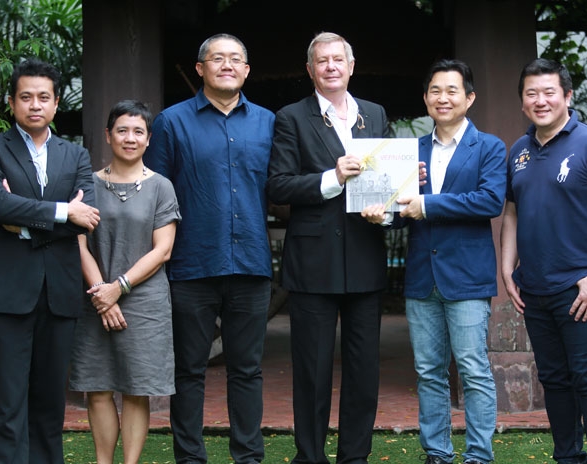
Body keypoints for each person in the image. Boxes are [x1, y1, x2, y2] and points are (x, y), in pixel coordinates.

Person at [365, 59, 506, 464]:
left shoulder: (490, 147)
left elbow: (489, 201)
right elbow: (397, 207)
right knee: (428, 372)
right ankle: (437, 453)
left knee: (473, 370)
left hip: (466, 278)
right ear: (426, 98)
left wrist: (426, 204)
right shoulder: (411, 151)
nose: (442, 98)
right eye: (434, 91)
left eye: (451, 90)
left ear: (469, 98)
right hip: (422, 278)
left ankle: (478, 455)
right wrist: (382, 214)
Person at [143, 33, 275, 464]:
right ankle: (190, 458)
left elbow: (284, 184)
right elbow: (155, 194)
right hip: (191, 264)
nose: (227, 65)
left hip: (251, 262)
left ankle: (248, 457)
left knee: (247, 370)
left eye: (236, 59)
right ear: (200, 69)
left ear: (247, 70)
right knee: (189, 370)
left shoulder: (268, 123)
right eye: (217, 59)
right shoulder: (171, 122)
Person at [266, 31, 392, 464]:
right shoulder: (290, 118)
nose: (331, 67)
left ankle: (355, 457)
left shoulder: (373, 114)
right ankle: (310, 457)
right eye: (322, 61)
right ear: (310, 69)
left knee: (363, 372)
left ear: (351, 66)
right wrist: (332, 178)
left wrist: (393, 202)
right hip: (313, 264)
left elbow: (387, 186)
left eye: (338, 59)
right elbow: (278, 185)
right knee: (312, 373)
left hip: (364, 257)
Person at [0, 58, 101, 464]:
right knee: (7, 401)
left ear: (57, 103)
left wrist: (22, 219)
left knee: (48, 404)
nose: (35, 105)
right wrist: (62, 213)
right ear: (11, 102)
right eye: (25, 97)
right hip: (8, 291)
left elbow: (88, 217)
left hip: (59, 291)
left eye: (44, 97)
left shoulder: (75, 155)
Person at [500, 58, 587, 464]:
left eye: (549, 92)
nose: (541, 100)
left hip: (580, 288)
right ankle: (567, 457)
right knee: (553, 379)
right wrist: (507, 267)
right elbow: (513, 213)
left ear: (567, 96)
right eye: (531, 93)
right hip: (534, 287)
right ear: (522, 101)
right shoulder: (518, 150)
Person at [68, 100, 180, 464]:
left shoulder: (162, 186)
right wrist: (104, 293)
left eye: (138, 132)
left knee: (136, 390)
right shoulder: (88, 184)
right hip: (94, 297)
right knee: (97, 388)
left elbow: (162, 250)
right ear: (108, 135)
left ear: (148, 139)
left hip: (144, 304)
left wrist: (119, 288)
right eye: (122, 130)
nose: (129, 138)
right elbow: (78, 243)